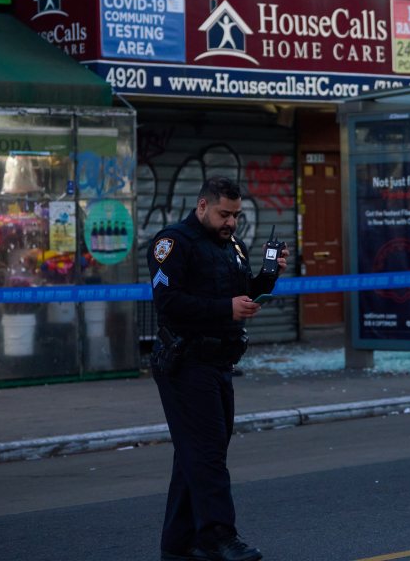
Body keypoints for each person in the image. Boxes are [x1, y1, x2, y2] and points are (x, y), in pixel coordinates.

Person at [148, 177, 288, 561]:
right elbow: (168, 302)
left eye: (236, 215)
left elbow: (245, 289)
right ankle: (218, 536)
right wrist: (225, 308)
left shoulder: (234, 248)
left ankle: (178, 543)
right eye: (224, 213)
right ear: (202, 206)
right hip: (186, 361)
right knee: (207, 453)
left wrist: (270, 274)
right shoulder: (173, 243)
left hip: (220, 361)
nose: (230, 222)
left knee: (197, 452)